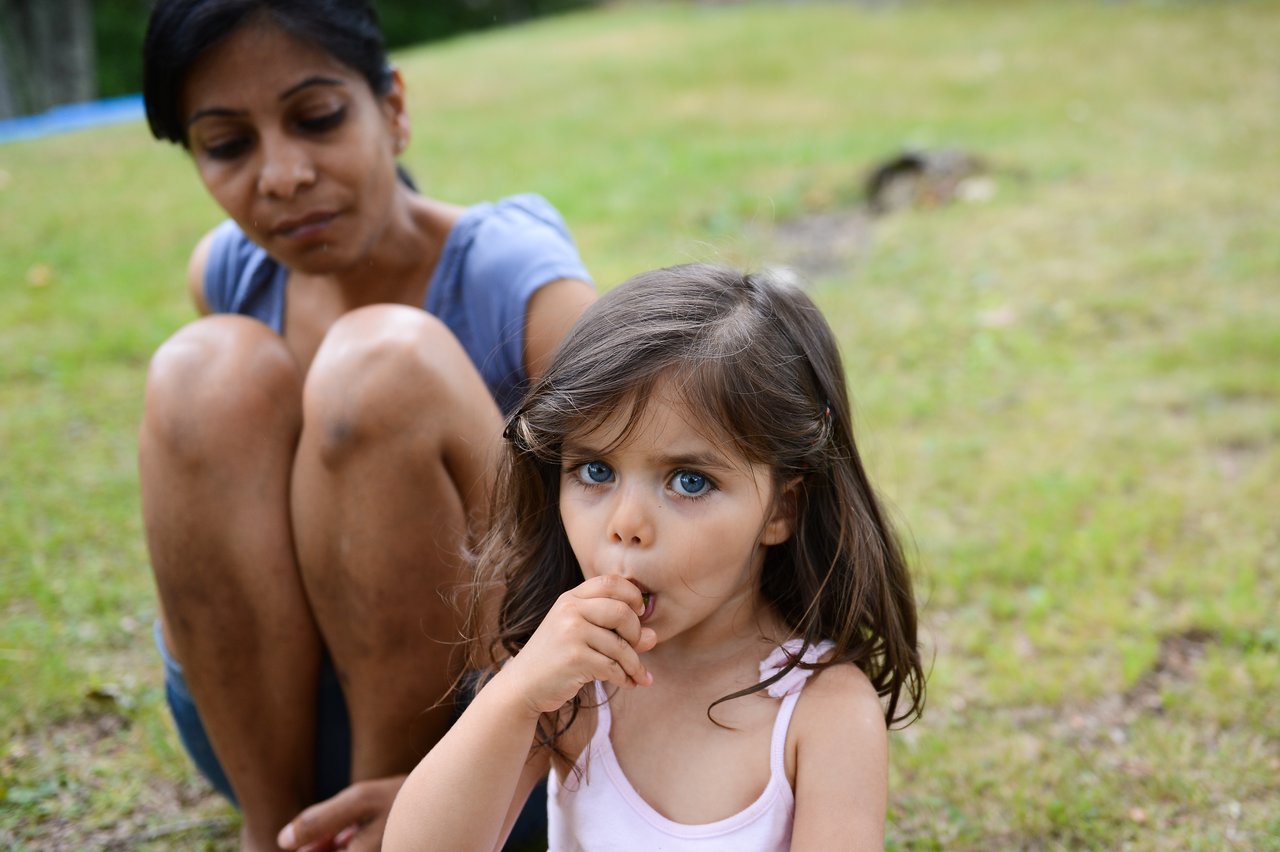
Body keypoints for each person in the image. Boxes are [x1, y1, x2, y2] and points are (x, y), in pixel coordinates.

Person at [136, 1, 595, 849]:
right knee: (201, 370)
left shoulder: (524, 288)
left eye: (316, 119)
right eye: (228, 145)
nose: (280, 176)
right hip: (262, 735)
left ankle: (398, 829)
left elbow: (654, 540)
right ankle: (280, 835)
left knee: (382, 367)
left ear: (392, 108)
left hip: (496, 752)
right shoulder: (230, 275)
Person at [383, 263, 927, 850]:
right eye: (595, 471)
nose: (626, 526)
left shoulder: (823, 711)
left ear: (781, 511)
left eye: (688, 482)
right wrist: (516, 694)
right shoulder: (570, 683)